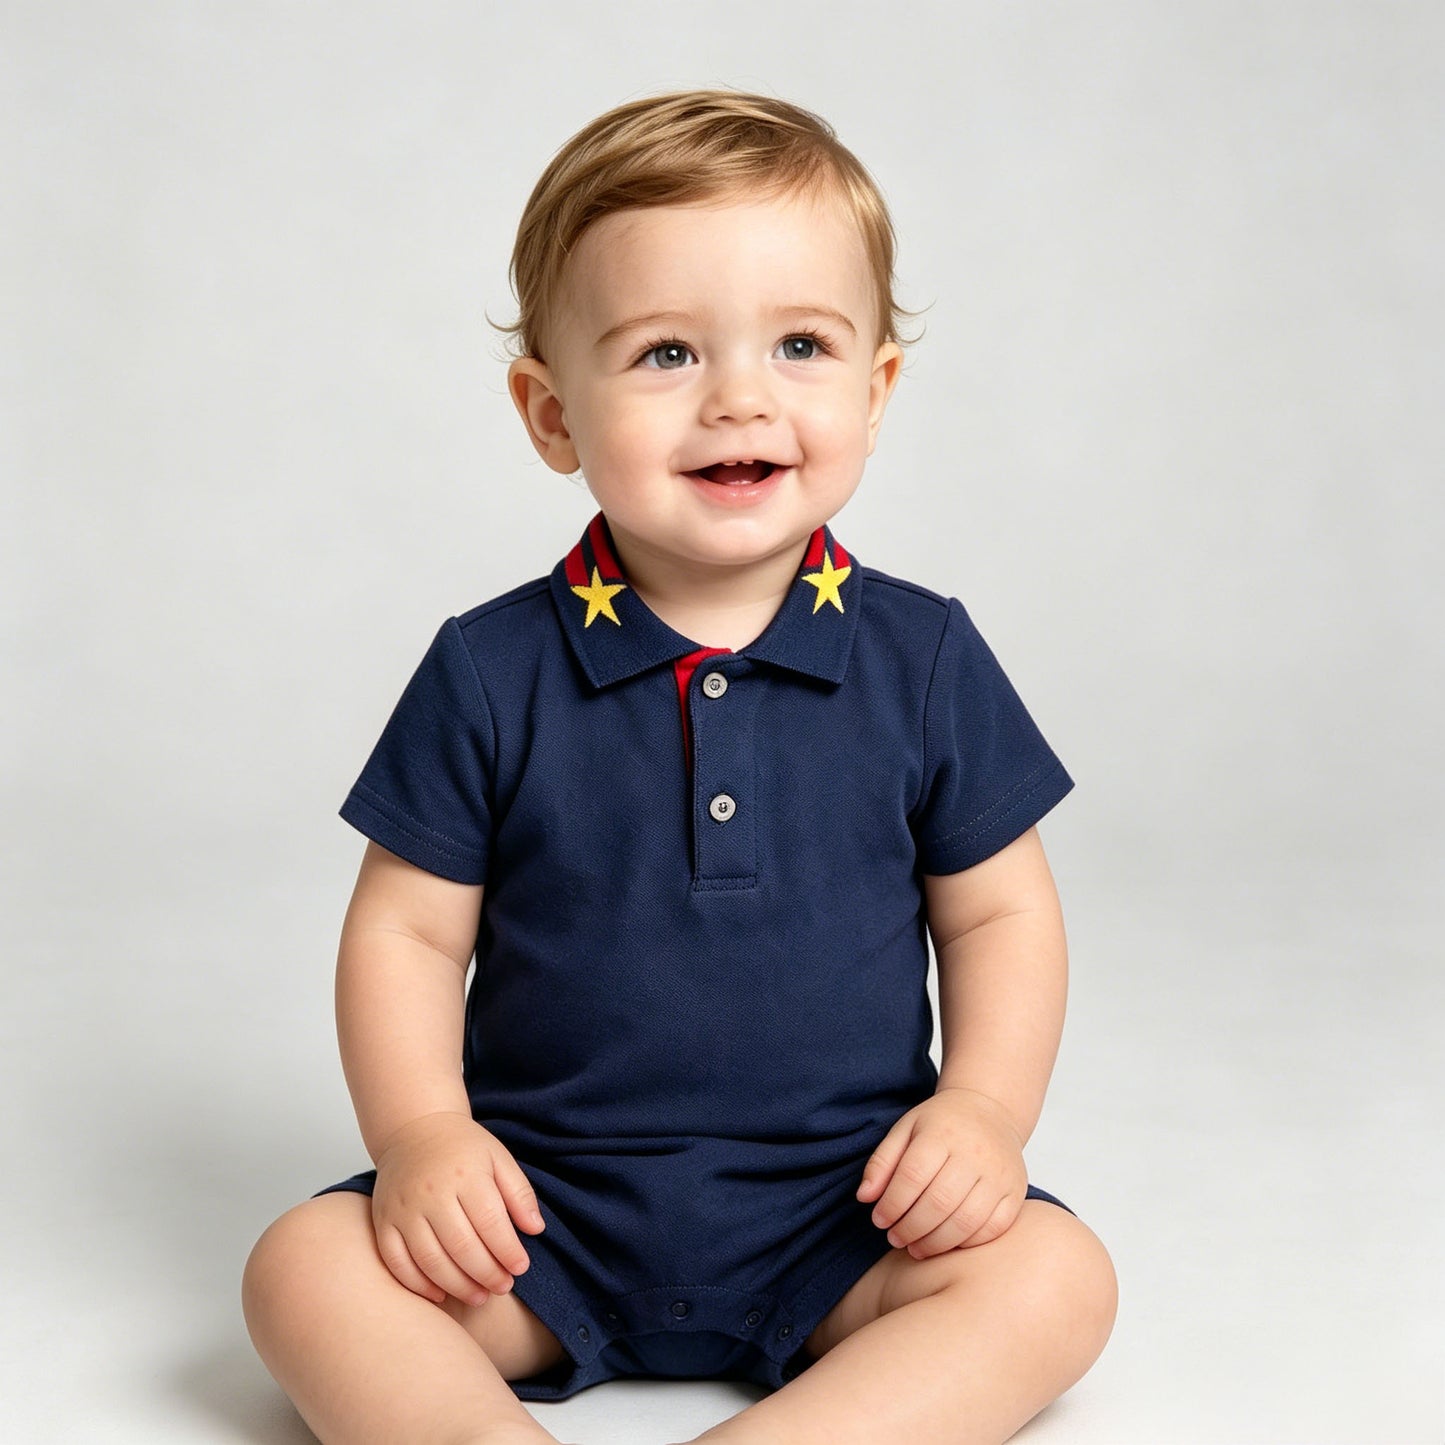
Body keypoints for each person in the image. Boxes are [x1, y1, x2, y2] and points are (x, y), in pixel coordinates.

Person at [242, 89, 1117, 1445]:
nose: (739, 396)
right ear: (551, 414)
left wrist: (984, 1112)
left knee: (1057, 1278)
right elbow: (405, 934)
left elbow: (999, 914)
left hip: (847, 1216)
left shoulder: (924, 656)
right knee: (301, 1265)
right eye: (665, 352)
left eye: (801, 344)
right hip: (539, 1216)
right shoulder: (489, 668)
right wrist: (422, 1138)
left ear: (876, 391)